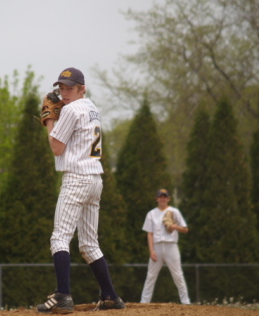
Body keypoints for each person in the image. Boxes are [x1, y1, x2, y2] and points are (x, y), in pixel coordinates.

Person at [37, 67, 125, 313]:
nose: (64, 93)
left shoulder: (72, 109)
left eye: (70, 88)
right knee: (88, 245)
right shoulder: (91, 107)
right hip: (95, 179)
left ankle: (63, 296)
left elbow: (56, 148)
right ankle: (110, 297)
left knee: (59, 238)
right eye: (62, 87)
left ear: (81, 88)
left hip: (76, 179)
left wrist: (50, 119)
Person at [140, 188, 191, 304]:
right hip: (157, 246)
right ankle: (143, 303)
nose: (162, 199)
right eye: (160, 197)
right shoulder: (151, 214)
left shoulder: (174, 211)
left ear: (168, 199)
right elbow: (150, 234)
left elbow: (185, 229)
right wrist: (151, 250)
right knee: (150, 276)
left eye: (164, 196)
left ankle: (186, 302)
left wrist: (174, 227)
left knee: (178, 275)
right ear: (156, 199)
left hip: (171, 246)